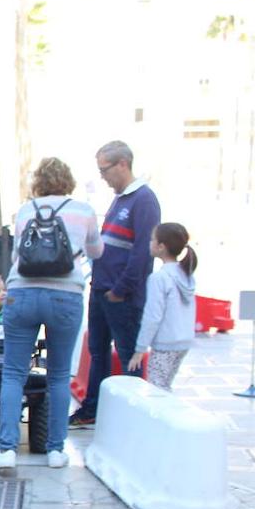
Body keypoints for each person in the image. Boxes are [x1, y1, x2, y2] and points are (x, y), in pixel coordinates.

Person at [0, 157, 103, 473]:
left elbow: (17, 254)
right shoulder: (84, 211)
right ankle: (55, 450)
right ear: (69, 180)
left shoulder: (25, 210)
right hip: (66, 295)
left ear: (37, 182)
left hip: (22, 293)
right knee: (59, 375)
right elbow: (96, 252)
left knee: (13, 373)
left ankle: (6, 449)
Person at [71, 140, 161, 428]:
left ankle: (133, 416)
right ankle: (92, 409)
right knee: (98, 352)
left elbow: (142, 253)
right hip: (101, 288)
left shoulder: (144, 199)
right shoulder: (120, 198)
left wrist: (121, 289)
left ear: (122, 164)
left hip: (121, 295)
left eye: (105, 170)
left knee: (128, 354)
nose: (103, 177)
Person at [130, 222, 197, 390]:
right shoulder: (186, 275)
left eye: (152, 239)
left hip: (165, 342)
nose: (149, 243)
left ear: (161, 247)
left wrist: (140, 349)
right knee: (165, 386)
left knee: (157, 389)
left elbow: (153, 316)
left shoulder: (159, 278)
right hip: (183, 340)